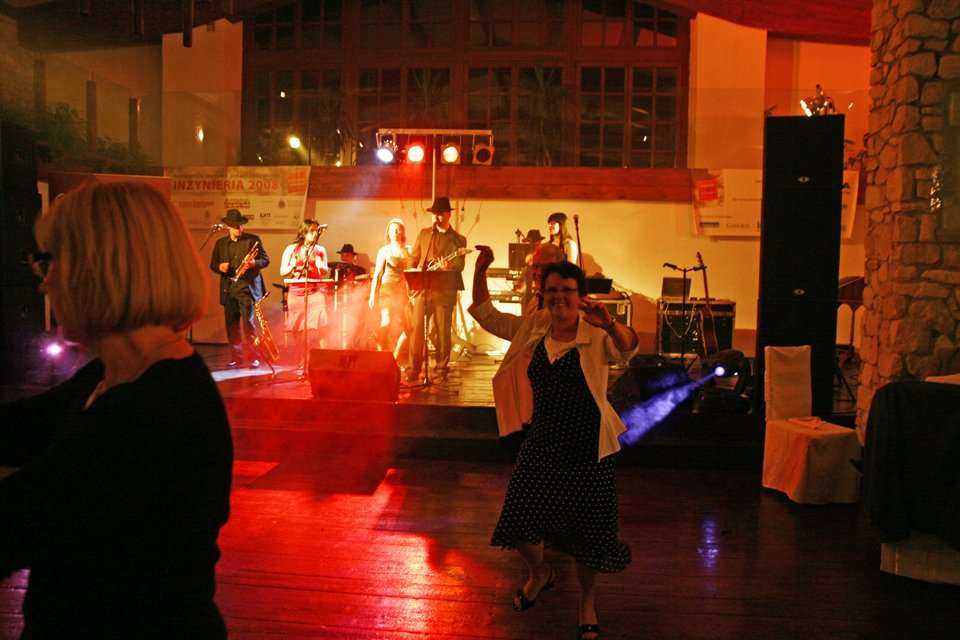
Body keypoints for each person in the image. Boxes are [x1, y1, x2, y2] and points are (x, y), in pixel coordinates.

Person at [0, 181, 232, 637]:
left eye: (50, 261)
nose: (44, 282)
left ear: (98, 269)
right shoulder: (117, 374)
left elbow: (17, 521)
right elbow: (19, 427)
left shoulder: (152, 411)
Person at [469, 249, 638, 640]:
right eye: (552, 290)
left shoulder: (596, 330)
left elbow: (629, 347)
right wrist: (479, 271)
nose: (559, 297)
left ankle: (587, 603)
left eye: (567, 290)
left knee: (588, 532)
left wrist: (611, 324)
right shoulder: (535, 326)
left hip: (588, 444)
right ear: (542, 294)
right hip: (543, 436)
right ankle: (540, 572)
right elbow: (486, 314)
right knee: (520, 519)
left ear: (580, 295)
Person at [408, 196, 467, 382]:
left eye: (440, 213)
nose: (436, 216)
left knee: (442, 331)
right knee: (416, 328)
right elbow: (413, 258)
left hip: (445, 290)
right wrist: (412, 278)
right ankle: (413, 369)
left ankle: (442, 368)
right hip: (423, 289)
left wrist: (447, 267)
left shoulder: (458, 239)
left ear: (448, 214)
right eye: (434, 213)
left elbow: (459, 265)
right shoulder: (424, 234)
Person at [209, 208, 270, 367]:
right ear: (229, 227)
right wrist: (219, 267)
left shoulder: (253, 240)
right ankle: (236, 357)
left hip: (247, 289)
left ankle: (253, 356)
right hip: (229, 289)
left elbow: (265, 260)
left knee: (248, 324)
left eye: (241, 225)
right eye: (236, 226)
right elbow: (213, 264)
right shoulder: (221, 244)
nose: (240, 228)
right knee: (232, 325)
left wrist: (254, 263)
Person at [279, 219, 329, 356]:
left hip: (315, 292)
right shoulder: (292, 249)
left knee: (315, 328)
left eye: (316, 231)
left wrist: (321, 266)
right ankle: (302, 356)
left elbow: (325, 270)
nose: (315, 234)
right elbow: (282, 271)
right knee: (297, 328)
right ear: (304, 232)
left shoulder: (320, 250)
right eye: (312, 231)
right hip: (296, 293)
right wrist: (292, 265)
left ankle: (315, 356)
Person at [369, 218, 411, 355]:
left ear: (402, 232)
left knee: (408, 328)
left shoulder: (408, 250)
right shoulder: (384, 251)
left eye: (398, 230)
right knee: (386, 321)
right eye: (392, 230)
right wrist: (372, 295)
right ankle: (381, 354)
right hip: (387, 289)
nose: (395, 232)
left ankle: (394, 357)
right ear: (388, 232)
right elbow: (377, 274)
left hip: (402, 291)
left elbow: (412, 272)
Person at [521, 241, 565, 315]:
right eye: (535, 266)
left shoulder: (567, 302)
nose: (539, 272)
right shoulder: (535, 300)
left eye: (545, 267)